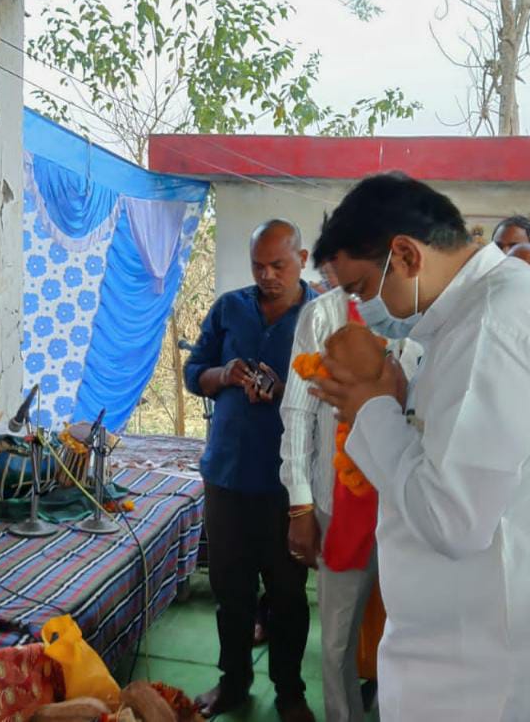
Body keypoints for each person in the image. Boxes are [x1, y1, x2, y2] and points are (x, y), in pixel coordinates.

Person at [308, 173, 530, 721]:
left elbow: (453, 518)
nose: (361, 307)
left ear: (404, 255)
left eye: (358, 288)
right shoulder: (467, 316)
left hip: (510, 661)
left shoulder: (495, 323)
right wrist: (392, 403)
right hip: (483, 638)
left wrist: (369, 407)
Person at [184, 219, 317, 722]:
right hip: (228, 476)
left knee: (287, 594)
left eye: (278, 265)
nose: (266, 276)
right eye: (258, 266)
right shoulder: (229, 308)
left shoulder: (322, 315)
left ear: (301, 259)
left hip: (290, 482)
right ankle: (234, 683)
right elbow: (194, 373)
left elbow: (335, 393)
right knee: (231, 590)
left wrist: (288, 391)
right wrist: (225, 374)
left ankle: (290, 692)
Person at [279, 274, 423, 722]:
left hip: (419, 506)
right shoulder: (324, 314)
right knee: (339, 638)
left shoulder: (435, 313)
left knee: (416, 630)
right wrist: (301, 505)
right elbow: (299, 411)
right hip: (339, 504)